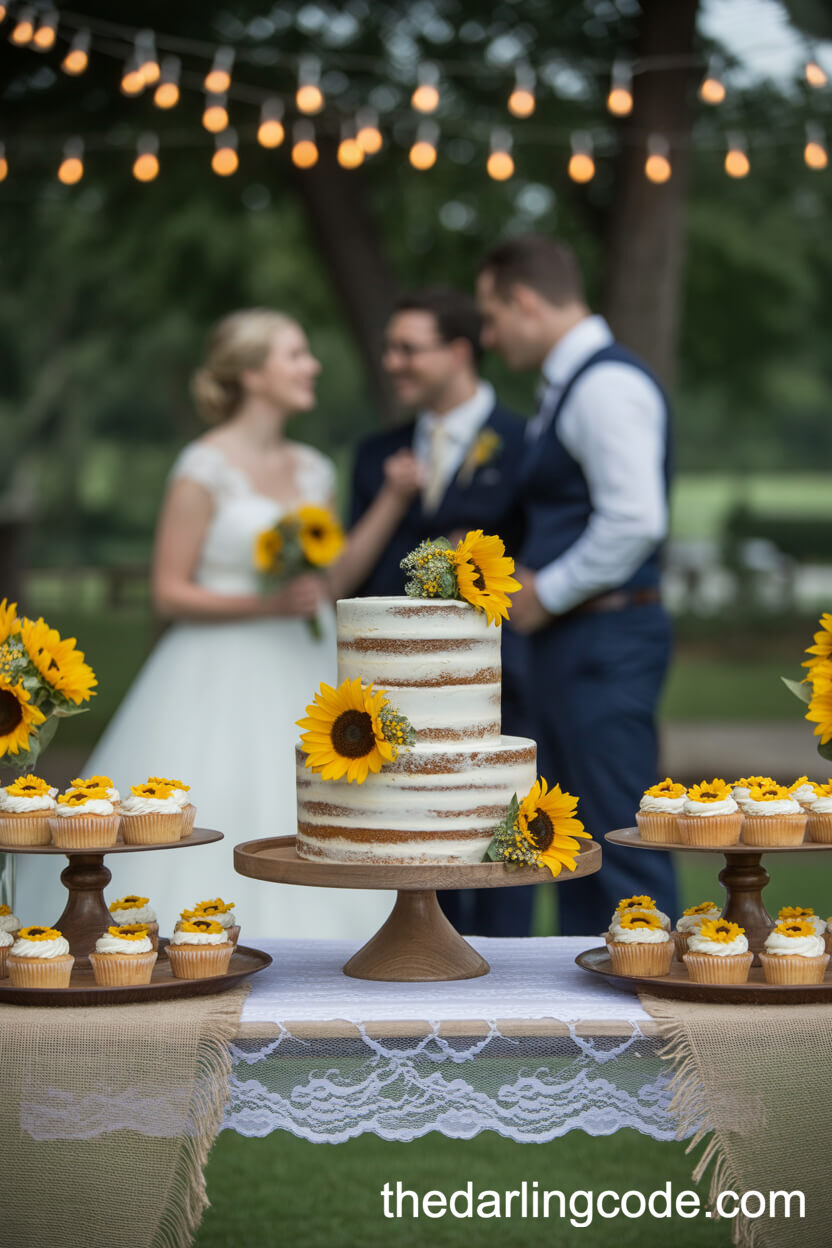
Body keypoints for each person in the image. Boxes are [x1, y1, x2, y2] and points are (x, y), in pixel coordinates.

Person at [14, 308, 417, 940]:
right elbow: (169, 591)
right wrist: (264, 607)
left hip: (301, 665)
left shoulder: (313, 468)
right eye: (295, 353)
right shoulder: (202, 467)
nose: (311, 365)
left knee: (315, 797)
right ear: (254, 373)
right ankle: (188, 938)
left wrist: (393, 500)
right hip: (211, 667)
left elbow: (331, 581)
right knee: (216, 791)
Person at [476, 234, 678, 935]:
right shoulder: (571, 386)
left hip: (605, 641)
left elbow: (635, 519)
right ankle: (591, 1030)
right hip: (577, 644)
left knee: (624, 842)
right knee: (573, 848)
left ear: (524, 301)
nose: (490, 338)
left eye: (492, 318)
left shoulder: (605, 385)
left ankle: (664, 1022)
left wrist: (545, 593)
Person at [350, 287, 536, 936]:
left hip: (502, 682)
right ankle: (428, 968)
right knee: (420, 832)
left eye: (408, 348)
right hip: (396, 695)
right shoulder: (377, 455)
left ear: (458, 351)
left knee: (501, 831)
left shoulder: (527, 442)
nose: (392, 362)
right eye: (388, 349)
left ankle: (509, 992)